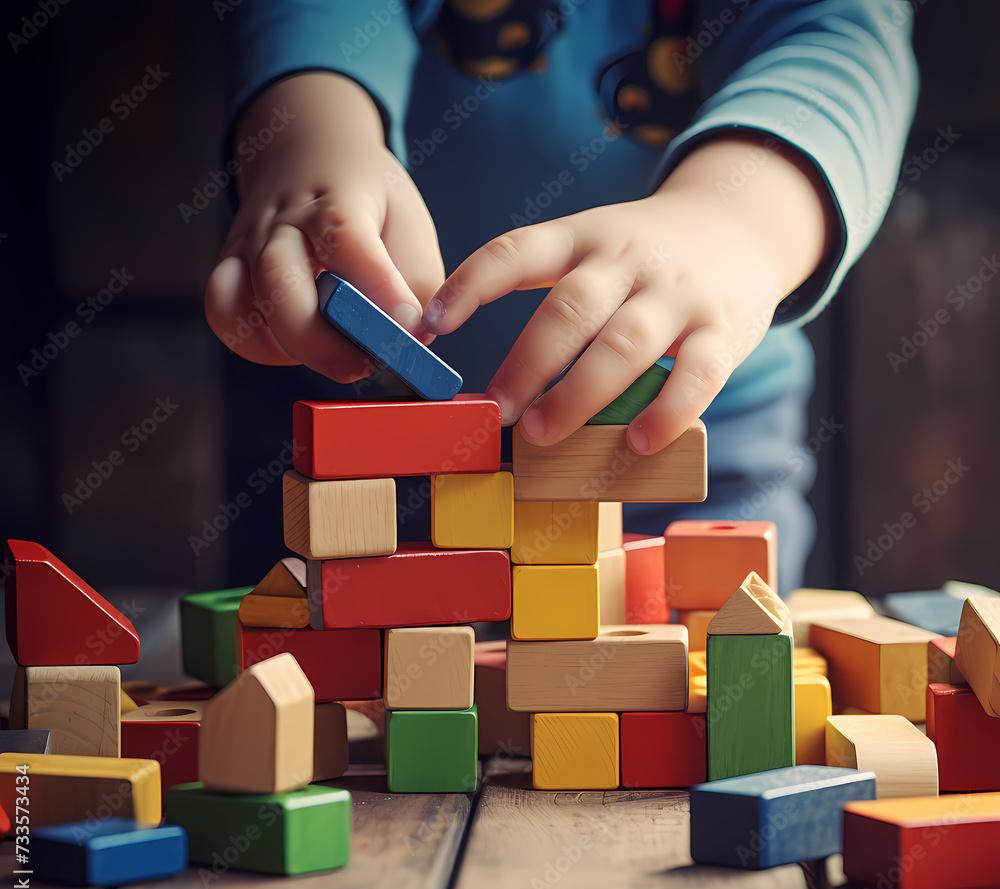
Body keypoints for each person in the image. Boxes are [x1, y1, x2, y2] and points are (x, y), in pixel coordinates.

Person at [204, 0, 917, 593]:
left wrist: (738, 222)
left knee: (691, 714)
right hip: (355, 446)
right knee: (330, 719)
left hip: (677, 440)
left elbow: (837, 35)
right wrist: (308, 131)